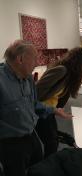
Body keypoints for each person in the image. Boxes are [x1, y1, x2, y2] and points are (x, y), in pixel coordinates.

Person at [0, 40, 72, 176]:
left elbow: (34, 104)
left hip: (31, 136)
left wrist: (54, 110)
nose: (37, 63)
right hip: (10, 145)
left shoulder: (28, 79)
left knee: (38, 167)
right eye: (34, 58)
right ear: (20, 59)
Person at [35, 47, 82, 157]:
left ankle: (49, 166)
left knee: (52, 142)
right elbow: (36, 91)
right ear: (79, 62)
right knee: (51, 143)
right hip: (41, 111)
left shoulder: (71, 75)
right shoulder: (61, 70)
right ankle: (47, 168)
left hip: (50, 112)